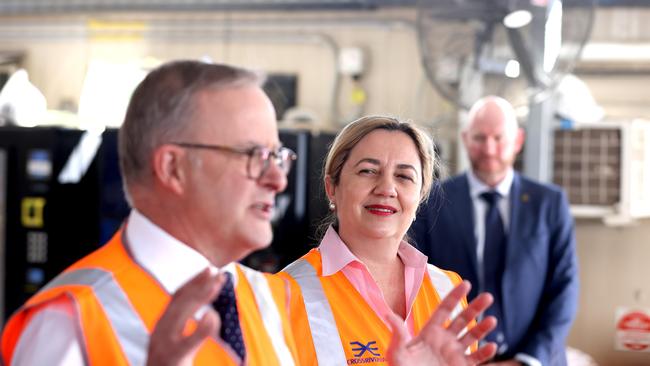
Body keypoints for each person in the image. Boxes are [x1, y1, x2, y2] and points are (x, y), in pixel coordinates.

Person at [1, 60, 301, 365]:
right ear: (173, 168)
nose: (278, 179)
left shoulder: (267, 298)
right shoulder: (69, 324)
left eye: (277, 156)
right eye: (255, 155)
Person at [278, 116, 498, 365]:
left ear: (420, 196)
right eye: (368, 171)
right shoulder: (285, 293)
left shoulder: (447, 289)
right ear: (332, 188)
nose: (386, 188)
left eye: (404, 176)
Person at [411, 96, 579, 366]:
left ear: (518, 140)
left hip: (532, 359)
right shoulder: (432, 200)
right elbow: (414, 283)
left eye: (499, 138)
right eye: (479, 138)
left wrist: (528, 359)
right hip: (453, 359)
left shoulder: (549, 203)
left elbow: (564, 288)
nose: (489, 149)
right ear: (465, 139)